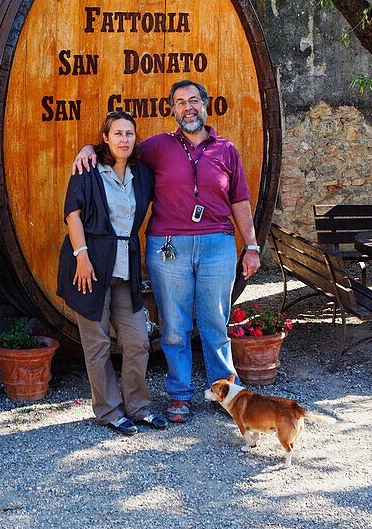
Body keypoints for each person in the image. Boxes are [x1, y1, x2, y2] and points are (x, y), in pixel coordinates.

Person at [74, 80, 260, 424]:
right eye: (179, 102)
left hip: (217, 243)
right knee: (174, 325)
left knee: (215, 323)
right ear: (172, 111)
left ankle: (227, 393)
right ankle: (179, 395)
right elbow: (119, 147)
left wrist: (251, 246)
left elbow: (240, 201)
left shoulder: (226, 149)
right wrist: (88, 146)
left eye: (193, 100)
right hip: (168, 246)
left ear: (205, 105)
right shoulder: (158, 146)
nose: (187, 107)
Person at [59, 110, 169, 436]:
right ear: (105, 138)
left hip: (126, 267)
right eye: (117, 133)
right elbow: (72, 214)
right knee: (97, 344)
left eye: (129, 134)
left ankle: (137, 407)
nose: (124, 139)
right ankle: (108, 411)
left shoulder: (142, 174)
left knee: (137, 341)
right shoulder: (88, 169)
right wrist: (81, 257)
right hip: (90, 267)